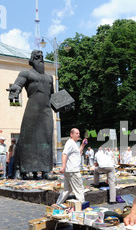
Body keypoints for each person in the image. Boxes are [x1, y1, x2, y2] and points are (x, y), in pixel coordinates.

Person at [7, 50, 55, 179]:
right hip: (32, 110)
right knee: (26, 139)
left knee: (47, 139)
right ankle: (19, 169)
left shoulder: (50, 78)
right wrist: (15, 91)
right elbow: (18, 84)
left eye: (42, 57)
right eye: (37, 57)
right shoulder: (26, 73)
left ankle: (45, 170)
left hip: (46, 111)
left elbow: (53, 97)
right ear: (32, 60)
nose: (41, 60)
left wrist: (65, 104)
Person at [56, 129, 87, 205]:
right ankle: (81, 208)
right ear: (71, 134)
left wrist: (83, 145)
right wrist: (63, 166)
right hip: (73, 171)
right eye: (76, 133)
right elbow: (64, 154)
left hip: (69, 170)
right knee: (79, 189)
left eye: (79, 133)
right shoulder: (70, 143)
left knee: (67, 190)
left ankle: (57, 204)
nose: (78, 135)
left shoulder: (73, 143)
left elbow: (77, 152)